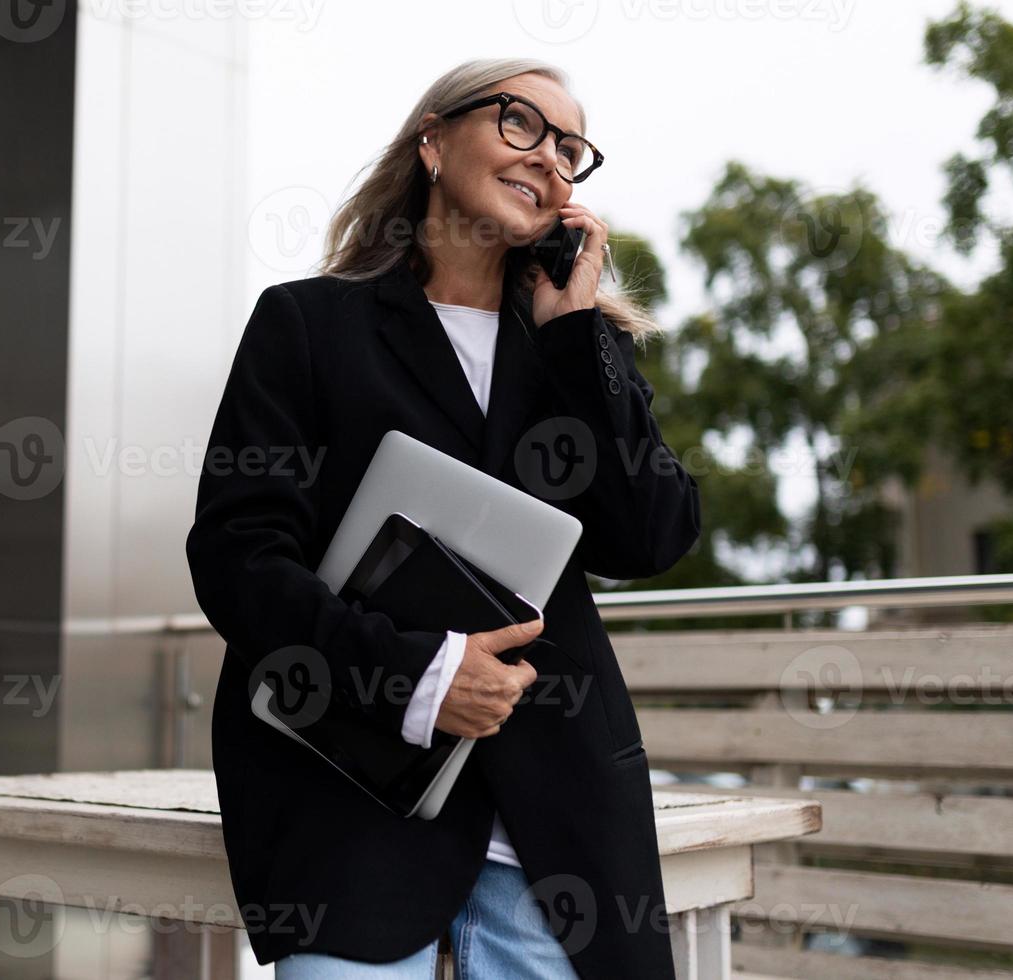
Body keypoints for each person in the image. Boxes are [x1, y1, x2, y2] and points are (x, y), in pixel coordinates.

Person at [185, 56, 701, 979]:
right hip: (354, 805)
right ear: (431, 139)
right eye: (521, 124)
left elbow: (651, 537)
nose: (549, 157)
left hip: (558, 826)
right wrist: (416, 676)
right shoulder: (307, 325)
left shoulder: (577, 346)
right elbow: (237, 557)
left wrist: (579, 340)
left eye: (571, 149)